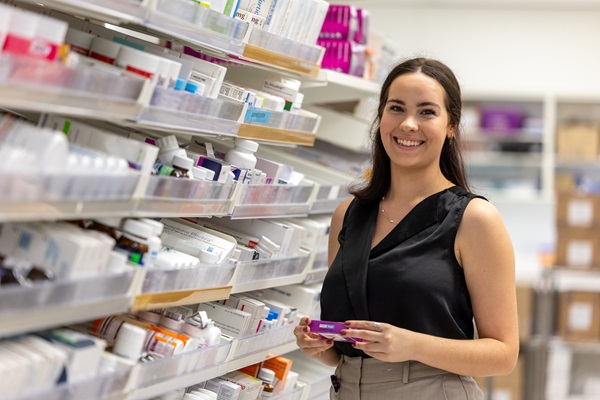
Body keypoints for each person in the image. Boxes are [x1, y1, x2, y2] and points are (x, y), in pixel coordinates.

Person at [294, 57, 519, 399]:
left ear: (451, 126)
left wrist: (411, 345)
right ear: (381, 117)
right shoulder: (349, 215)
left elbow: (503, 354)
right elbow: (345, 350)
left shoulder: (474, 219)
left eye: (427, 112)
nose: (408, 124)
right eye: (396, 108)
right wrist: (320, 345)